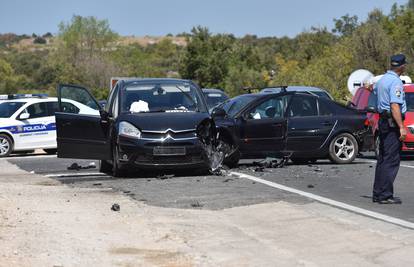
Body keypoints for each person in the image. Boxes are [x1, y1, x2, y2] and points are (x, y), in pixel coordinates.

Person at [373, 54, 408, 204]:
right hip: (392, 123)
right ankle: (385, 195)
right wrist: (401, 127)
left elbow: (374, 92)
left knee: (383, 158)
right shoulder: (395, 82)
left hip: (383, 121)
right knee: (391, 160)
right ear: (402, 66)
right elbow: (395, 105)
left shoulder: (382, 80)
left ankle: (378, 193)